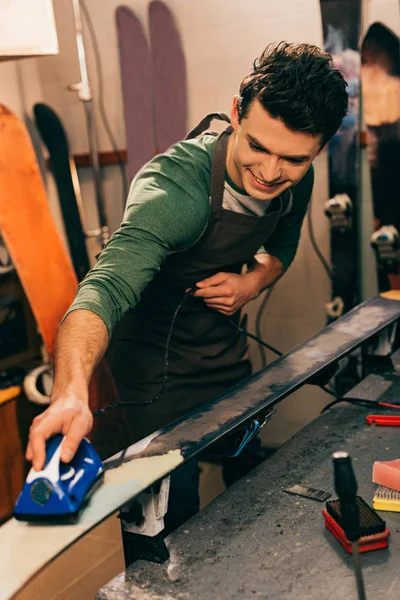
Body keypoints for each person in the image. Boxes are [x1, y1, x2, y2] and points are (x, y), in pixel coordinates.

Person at [27, 42, 348, 528]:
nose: (269, 172)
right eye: (257, 147)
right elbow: (103, 290)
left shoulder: (294, 176)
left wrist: (251, 283)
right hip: (152, 366)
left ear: (318, 148)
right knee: (175, 510)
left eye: (292, 159)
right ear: (237, 113)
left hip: (219, 347)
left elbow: (280, 252)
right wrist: (71, 392)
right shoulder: (174, 190)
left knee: (249, 472)